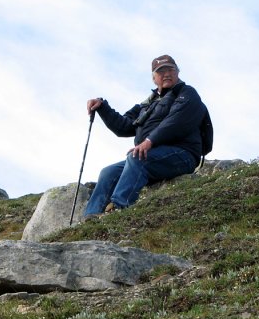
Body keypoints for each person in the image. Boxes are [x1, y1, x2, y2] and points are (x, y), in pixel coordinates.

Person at [84, 54, 209, 220]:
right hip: (154, 155)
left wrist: (150, 141)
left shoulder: (187, 94)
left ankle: (118, 209)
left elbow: (176, 121)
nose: (166, 74)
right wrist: (102, 107)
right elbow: (124, 126)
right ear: (154, 78)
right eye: (161, 71)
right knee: (108, 172)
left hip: (183, 154)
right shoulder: (147, 104)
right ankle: (91, 218)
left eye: (170, 69)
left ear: (177, 72)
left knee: (137, 159)